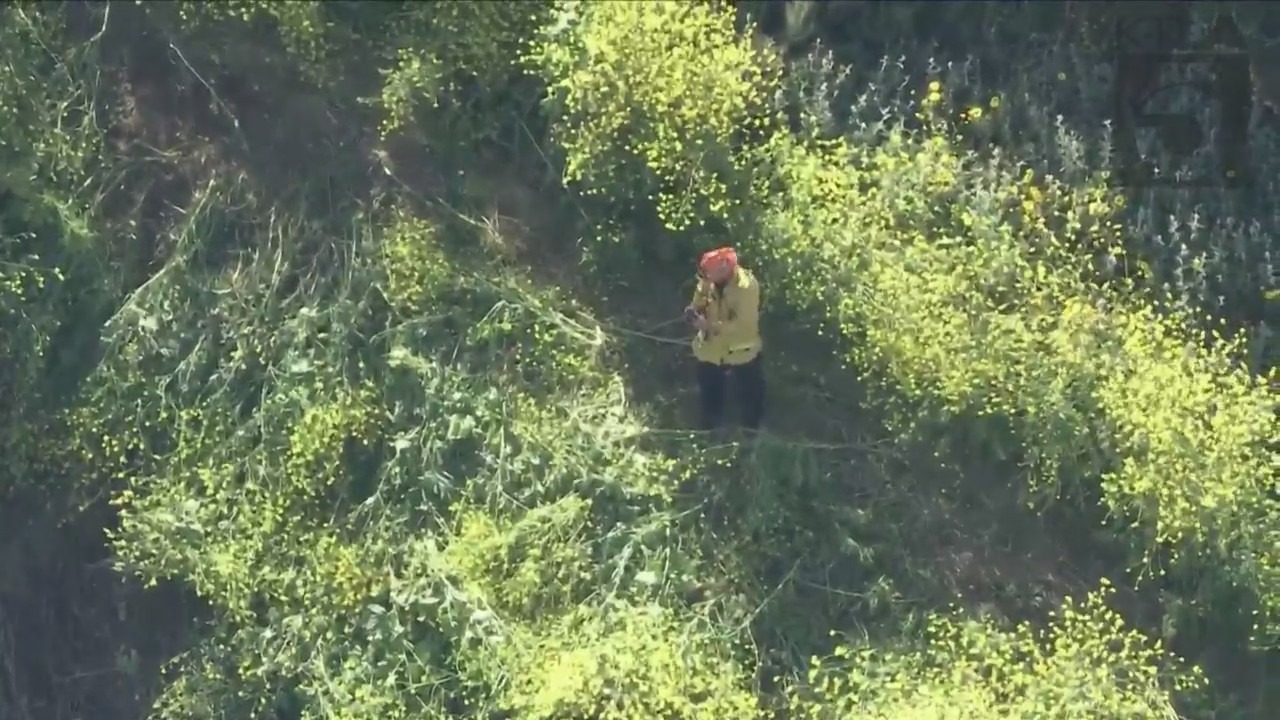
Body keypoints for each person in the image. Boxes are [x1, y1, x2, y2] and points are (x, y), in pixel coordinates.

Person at [684, 246, 764, 431]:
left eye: (708, 275)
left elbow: (743, 324)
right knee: (709, 389)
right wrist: (693, 310)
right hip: (711, 349)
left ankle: (751, 431)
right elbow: (700, 296)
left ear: (723, 272)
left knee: (751, 393)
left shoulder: (746, 288)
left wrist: (709, 326)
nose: (705, 279)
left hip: (741, 351)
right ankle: (710, 427)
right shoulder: (708, 279)